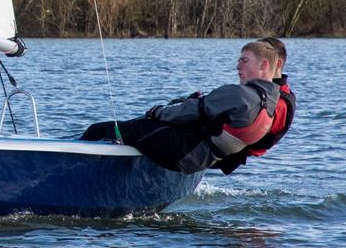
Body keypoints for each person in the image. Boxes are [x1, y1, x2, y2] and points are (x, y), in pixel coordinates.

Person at [80, 41, 280, 174]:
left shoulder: (240, 95)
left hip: (178, 151)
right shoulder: (271, 106)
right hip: (195, 161)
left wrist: (157, 112)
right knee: (131, 135)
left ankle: (74, 173)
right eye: (238, 61)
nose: (238, 66)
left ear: (263, 64)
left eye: (244, 61)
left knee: (101, 130)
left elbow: (189, 111)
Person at [213, 37, 296, 174]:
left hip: (224, 152)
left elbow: (252, 134)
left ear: (277, 64)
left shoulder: (279, 103)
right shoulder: (258, 93)